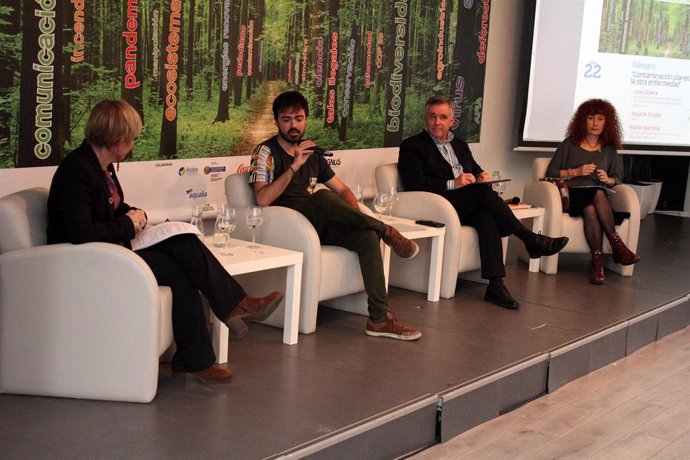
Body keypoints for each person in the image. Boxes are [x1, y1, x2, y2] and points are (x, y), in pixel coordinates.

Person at [47, 99, 283, 383]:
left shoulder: (103, 166)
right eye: (132, 139)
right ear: (119, 142)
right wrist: (126, 224)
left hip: (110, 248)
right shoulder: (77, 171)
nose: (132, 145)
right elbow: (80, 233)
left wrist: (135, 214)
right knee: (182, 259)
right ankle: (232, 308)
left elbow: (109, 208)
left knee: (182, 248)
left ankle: (203, 350)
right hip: (89, 260)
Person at [248, 91, 421, 341]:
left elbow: (343, 190)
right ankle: (387, 231)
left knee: (366, 236)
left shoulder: (314, 153)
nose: (293, 125)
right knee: (323, 197)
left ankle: (379, 319)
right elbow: (262, 199)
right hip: (287, 226)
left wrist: (352, 215)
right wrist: (294, 166)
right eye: (286, 119)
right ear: (277, 121)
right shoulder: (265, 152)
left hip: (316, 225)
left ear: (306, 119)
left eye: (298, 118)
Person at [398, 95, 569, 310]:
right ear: (426, 118)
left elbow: (474, 168)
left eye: (443, 117)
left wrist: (482, 176)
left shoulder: (459, 145)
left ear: (452, 120)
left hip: (465, 204)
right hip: (438, 204)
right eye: (433, 116)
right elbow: (414, 182)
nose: (437, 122)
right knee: (483, 196)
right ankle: (530, 239)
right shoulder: (412, 146)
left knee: (486, 217)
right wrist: (453, 183)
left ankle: (495, 285)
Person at [546, 98, 640, 284]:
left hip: (596, 199)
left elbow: (617, 178)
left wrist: (608, 179)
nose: (595, 123)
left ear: (607, 122)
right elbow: (551, 172)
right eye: (591, 118)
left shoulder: (609, 149)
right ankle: (617, 246)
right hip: (572, 195)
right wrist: (575, 172)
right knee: (597, 194)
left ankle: (597, 262)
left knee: (591, 207)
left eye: (600, 119)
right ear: (583, 120)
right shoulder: (569, 144)